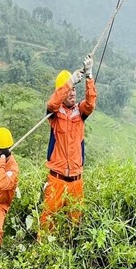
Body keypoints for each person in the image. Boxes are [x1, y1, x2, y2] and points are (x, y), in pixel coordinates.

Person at [40, 54, 97, 228]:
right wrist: (70, 81)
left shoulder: (80, 112)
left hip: (76, 179)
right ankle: (43, 252)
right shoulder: (54, 114)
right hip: (56, 178)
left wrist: (89, 76)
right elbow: (52, 103)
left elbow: (90, 103)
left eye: (73, 90)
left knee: (75, 224)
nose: (72, 93)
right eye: (69, 90)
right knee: (47, 222)